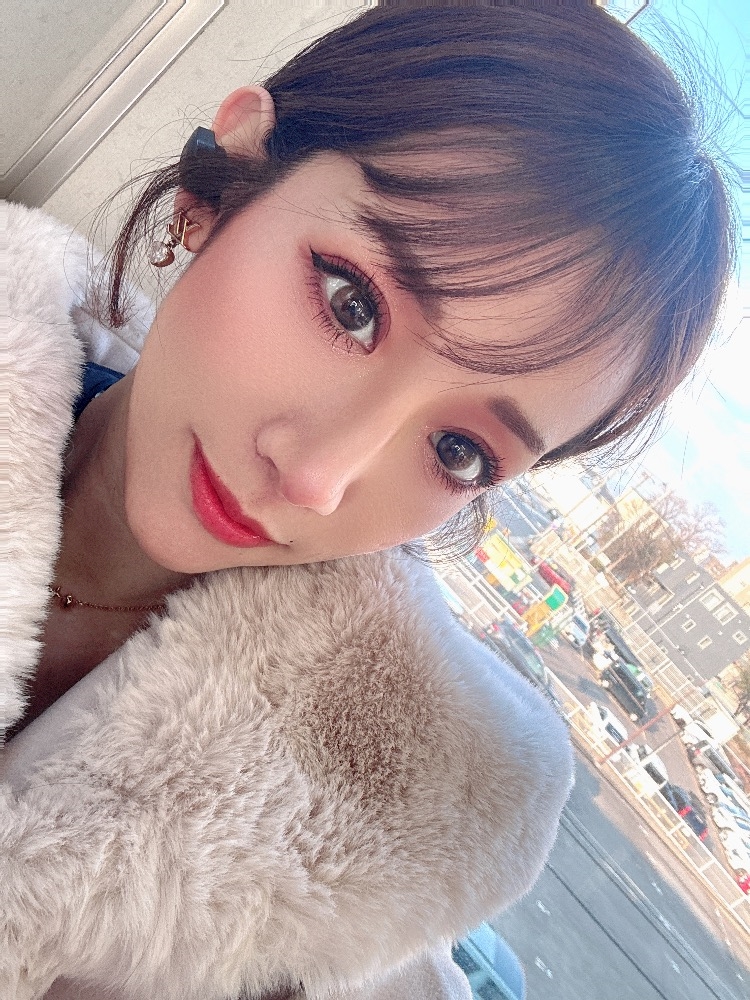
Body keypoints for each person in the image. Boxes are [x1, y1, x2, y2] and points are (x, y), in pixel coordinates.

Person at [1, 3, 734, 999]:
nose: (319, 477)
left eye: (458, 451)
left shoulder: (344, 875)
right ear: (224, 181)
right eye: (352, 305)